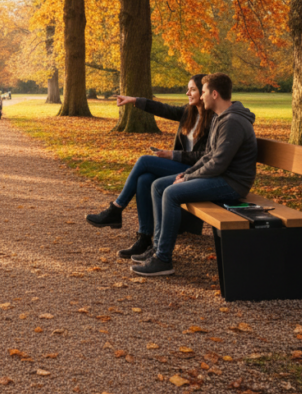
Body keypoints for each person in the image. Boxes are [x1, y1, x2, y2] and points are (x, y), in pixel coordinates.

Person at [131, 73, 258, 277]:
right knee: (158, 186)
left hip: (232, 183)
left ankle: (163, 259)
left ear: (214, 94)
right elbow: (209, 156)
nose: (202, 96)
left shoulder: (231, 122)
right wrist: (187, 172)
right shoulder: (220, 118)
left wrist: (188, 178)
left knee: (171, 193)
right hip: (221, 177)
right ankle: (157, 249)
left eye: (204, 91)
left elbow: (218, 164)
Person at [86, 74, 213, 259]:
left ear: (204, 92)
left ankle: (116, 209)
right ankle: (144, 237)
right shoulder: (189, 112)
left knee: (144, 161)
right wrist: (134, 100)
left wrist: (172, 154)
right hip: (180, 165)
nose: (187, 93)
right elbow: (163, 109)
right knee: (144, 180)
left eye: (192, 89)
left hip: (195, 171)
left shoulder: (213, 120)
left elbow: (205, 157)